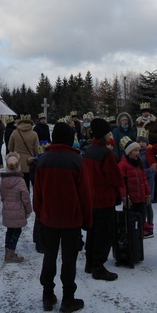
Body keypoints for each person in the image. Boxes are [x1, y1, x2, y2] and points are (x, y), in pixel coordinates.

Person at [33, 122, 92, 313]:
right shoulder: (76, 161)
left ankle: (47, 295)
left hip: (49, 219)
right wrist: (87, 220)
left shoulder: (43, 160)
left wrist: (40, 216)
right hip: (71, 219)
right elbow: (85, 194)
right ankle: (68, 299)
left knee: (49, 256)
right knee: (69, 259)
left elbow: (38, 194)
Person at [82, 118, 124, 281]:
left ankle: (89, 262)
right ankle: (98, 267)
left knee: (93, 232)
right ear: (103, 135)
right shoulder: (106, 154)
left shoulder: (90, 150)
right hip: (105, 198)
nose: (109, 135)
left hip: (92, 197)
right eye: (108, 133)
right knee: (105, 233)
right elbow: (115, 178)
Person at [0, 152, 32, 263]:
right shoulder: (20, 181)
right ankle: (11, 254)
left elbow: (2, 195)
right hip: (18, 211)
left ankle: (7, 252)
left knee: (9, 231)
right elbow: (26, 198)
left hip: (7, 210)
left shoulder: (4, 180)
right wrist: (28, 210)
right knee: (16, 232)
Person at [118, 138, 151, 238]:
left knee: (141, 220)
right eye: (135, 150)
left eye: (138, 150)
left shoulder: (139, 164)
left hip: (141, 199)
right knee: (130, 222)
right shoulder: (122, 165)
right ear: (129, 152)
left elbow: (144, 180)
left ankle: (138, 239)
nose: (138, 152)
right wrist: (124, 197)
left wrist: (148, 193)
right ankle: (129, 240)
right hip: (130, 200)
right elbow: (121, 184)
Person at [8, 115, 39, 190]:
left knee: (17, 185)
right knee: (26, 185)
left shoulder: (15, 133)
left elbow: (10, 148)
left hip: (17, 162)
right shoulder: (34, 134)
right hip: (29, 162)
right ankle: (26, 199)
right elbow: (37, 150)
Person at [137, 128, 154, 237]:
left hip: (148, 183)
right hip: (139, 184)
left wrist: (141, 172)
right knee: (143, 205)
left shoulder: (149, 154)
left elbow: (152, 170)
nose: (141, 143)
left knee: (148, 206)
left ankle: (150, 225)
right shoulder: (136, 153)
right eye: (139, 141)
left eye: (143, 141)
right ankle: (143, 225)